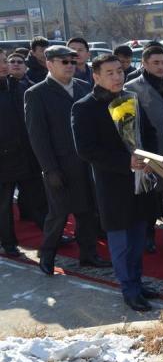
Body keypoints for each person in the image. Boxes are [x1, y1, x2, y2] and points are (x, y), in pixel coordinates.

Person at [72, 54, 159, 311]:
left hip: (140, 180)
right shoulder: (84, 107)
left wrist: (149, 158)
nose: (117, 77)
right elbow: (86, 150)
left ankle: (138, 282)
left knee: (138, 237)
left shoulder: (131, 99)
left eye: (119, 71)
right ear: (95, 76)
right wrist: (126, 162)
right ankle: (128, 289)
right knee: (121, 243)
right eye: (109, 73)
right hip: (112, 185)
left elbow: (149, 132)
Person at [24, 46, 111, 275]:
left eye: (73, 61)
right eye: (65, 62)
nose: (71, 66)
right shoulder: (36, 93)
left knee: (87, 210)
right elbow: (38, 136)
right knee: (59, 213)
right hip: (59, 165)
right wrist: (49, 169)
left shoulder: (84, 87)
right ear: (49, 63)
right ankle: (48, 255)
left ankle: (89, 254)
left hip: (86, 161)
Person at [125, 46, 163, 253]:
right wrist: (138, 153)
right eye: (155, 62)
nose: (160, 67)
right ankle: (148, 234)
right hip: (148, 152)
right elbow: (129, 126)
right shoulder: (131, 88)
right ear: (144, 64)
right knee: (150, 197)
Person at [4, 52, 48, 232]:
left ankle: (45, 228)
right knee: (5, 200)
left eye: (19, 62)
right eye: (11, 61)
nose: (14, 64)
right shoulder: (5, 89)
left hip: (28, 149)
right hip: (7, 153)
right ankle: (8, 240)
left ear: (25, 66)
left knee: (35, 193)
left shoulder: (31, 88)